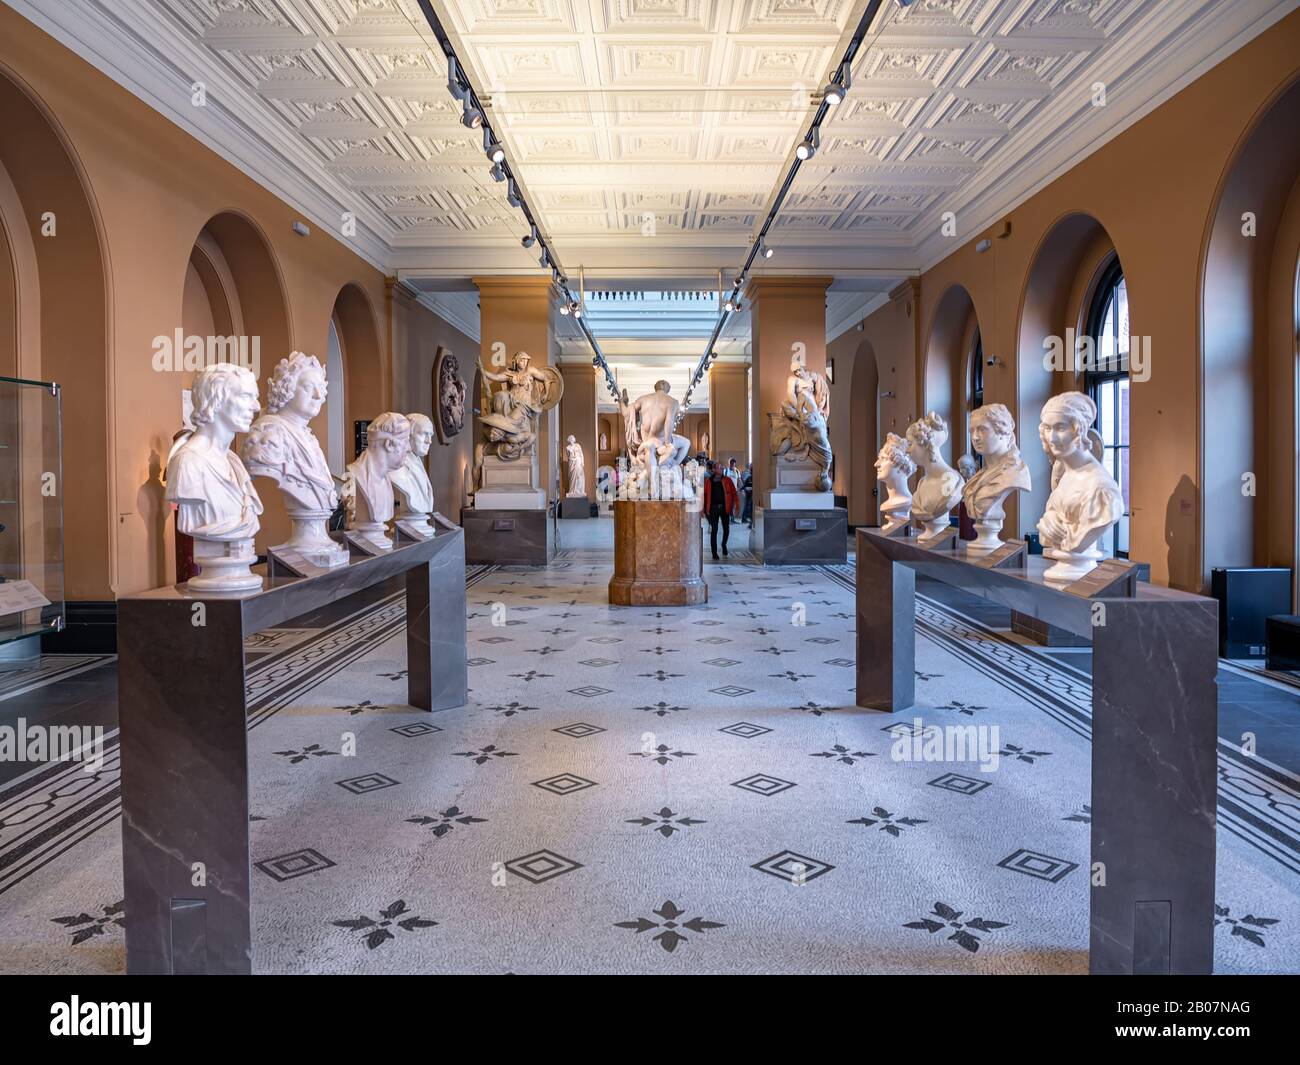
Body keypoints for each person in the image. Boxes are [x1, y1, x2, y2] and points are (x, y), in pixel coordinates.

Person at [703, 460, 737, 560]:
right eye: (719, 467)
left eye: (722, 467)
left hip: (724, 508)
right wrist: (704, 509)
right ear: (714, 469)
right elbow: (704, 495)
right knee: (714, 530)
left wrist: (736, 506)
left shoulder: (727, 480)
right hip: (713, 508)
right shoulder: (709, 481)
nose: (722, 469)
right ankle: (714, 552)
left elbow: (734, 493)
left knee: (726, 529)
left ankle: (723, 544)